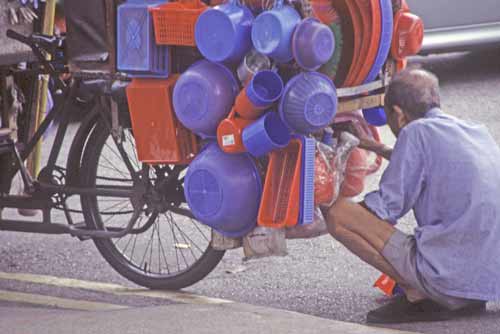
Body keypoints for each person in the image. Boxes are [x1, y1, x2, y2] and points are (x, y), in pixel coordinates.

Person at [326, 68, 500, 323]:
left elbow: (384, 209)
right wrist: (374, 146)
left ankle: (418, 291)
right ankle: (442, 290)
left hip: (449, 279)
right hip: (486, 282)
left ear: (398, 113)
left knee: (338, 213)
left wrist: (329, 199)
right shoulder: (474, 131)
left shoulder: (414, 133)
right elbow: (427, 164)